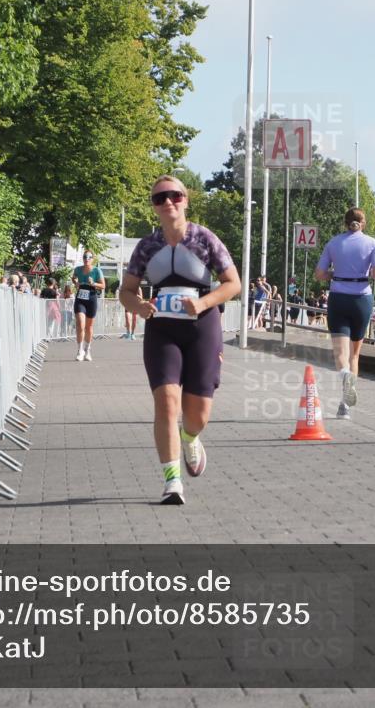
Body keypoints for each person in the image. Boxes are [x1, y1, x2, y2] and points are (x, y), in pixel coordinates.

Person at [119, 175, 241, 505]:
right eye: (160, 198)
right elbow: (126, 291)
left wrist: (202, 303)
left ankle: (190, 437)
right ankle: (172, 481)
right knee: (166, 402)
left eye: (174, 196)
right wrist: (140, 306)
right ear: (154, 207)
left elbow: (233, 284)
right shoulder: (147, 246)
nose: (168, 202)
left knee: (197, 414)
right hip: (162, 329)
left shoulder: (204, 239)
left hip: (202, 326)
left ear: (185, 200)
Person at [314, 208, 375, 420]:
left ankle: (344, 375)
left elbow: (319, 274)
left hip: (338, 298)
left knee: (340, 354)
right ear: (363, 223)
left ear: (345, 223)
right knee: (355, 354)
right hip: (362, 299)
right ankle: (345, 406)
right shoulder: (373, 244)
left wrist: (334, 274)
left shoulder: (333, 243)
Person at [72, 252, 105, 361]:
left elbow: (103, 286)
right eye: (85, 257)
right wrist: (75, 282)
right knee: (81, 324)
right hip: (80, 297)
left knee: (89, 327)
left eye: (89, 257)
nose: (86, 259)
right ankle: (79, 350)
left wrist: (94, 283)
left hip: (91, 297)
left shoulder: (96, 270)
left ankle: (87, 350)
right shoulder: (77, 269)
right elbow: (74, 278)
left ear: (92, 259)